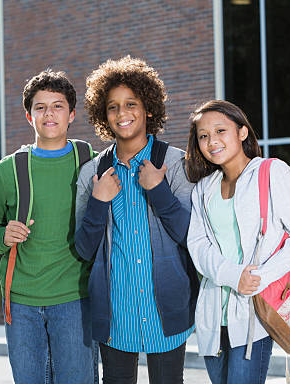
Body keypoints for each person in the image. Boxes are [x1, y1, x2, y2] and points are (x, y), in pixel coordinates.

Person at [74, 55, 198, 383]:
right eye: (113, 106)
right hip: (115, 313)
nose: (122, 113)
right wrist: (99, 202)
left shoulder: (176, 164)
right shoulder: (92, 173)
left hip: (167, 308)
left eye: (131, 103)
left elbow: (190, 236)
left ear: (149, 109)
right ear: (104, 114)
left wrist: (159, 191)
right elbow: (84, 249)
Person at [0, 70, 97, 384]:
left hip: (75, 297)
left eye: (57, 106)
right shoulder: (8, 169)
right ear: (29, 116)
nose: (49, 113)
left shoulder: (91, 161)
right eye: (40, 107)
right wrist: (2, 235)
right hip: (21, 301)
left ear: (71, 114)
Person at [185, 100, 290, 384]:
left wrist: (257, 277)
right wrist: (233, 275)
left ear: (242, 132)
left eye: (220, 131)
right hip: (213, 315)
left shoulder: (271, 171)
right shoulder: (204, 188)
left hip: (254, 312)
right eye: (203, 136)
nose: (211, 141)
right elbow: (198, 245)